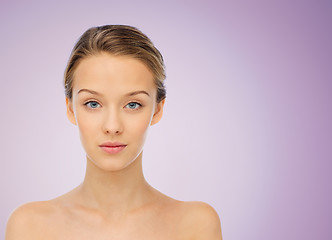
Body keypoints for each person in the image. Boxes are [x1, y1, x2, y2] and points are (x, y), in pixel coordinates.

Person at [5, 25, 222, 239]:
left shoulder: (195, 224)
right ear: (71, 109)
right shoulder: (30, 226)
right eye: (92, 103)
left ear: (157, 109)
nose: (112, 126)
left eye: (133, 104)